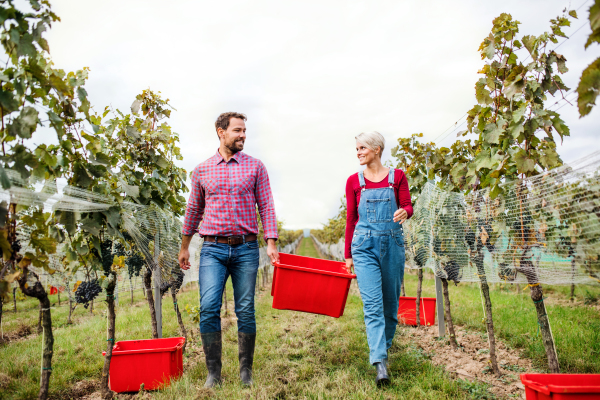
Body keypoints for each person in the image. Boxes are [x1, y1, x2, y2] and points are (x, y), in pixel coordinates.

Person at [179, 112, 280, 388]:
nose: (243, 135)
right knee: (209, 307)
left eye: (245, 130)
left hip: (247, 248)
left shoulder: (256, 167)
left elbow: (267, 206)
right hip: (212, 249)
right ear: (220, 132)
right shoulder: (202, 170)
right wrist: (185, 246)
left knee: (245, 309)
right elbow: (193, 210)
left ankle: (245, 371)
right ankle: (214, 373)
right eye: (237, 130)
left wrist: (270, 242)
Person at [344, 131, 413, 386]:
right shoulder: (353, 181)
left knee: (389, 307)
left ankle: (383, 348)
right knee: (372, 306)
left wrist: (405, 212)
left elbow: (408, 205)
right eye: (357, 149)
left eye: (362, 148)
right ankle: (380, 363)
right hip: (363, 246)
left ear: (376, 149)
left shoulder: (398, 176)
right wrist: (348, 254)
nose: (359, 152)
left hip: (392, 244)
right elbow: (351, 218)